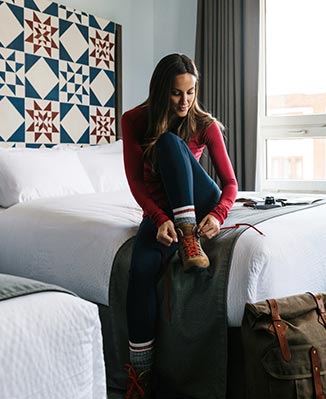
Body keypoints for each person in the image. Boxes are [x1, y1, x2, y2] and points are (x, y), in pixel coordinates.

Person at [121, 53, 238, 398]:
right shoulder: (134, 120)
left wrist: (218, 215)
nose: (185, 101)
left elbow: (230, 184)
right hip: (162, 212)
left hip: (199, 201)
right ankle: (140, 377)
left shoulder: (205, 124)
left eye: (190, 92)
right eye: (176, 93)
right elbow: (135, 184)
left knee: (171, 143)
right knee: (140, 270)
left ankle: (189, 238)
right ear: (161, 91)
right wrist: (158, 220)